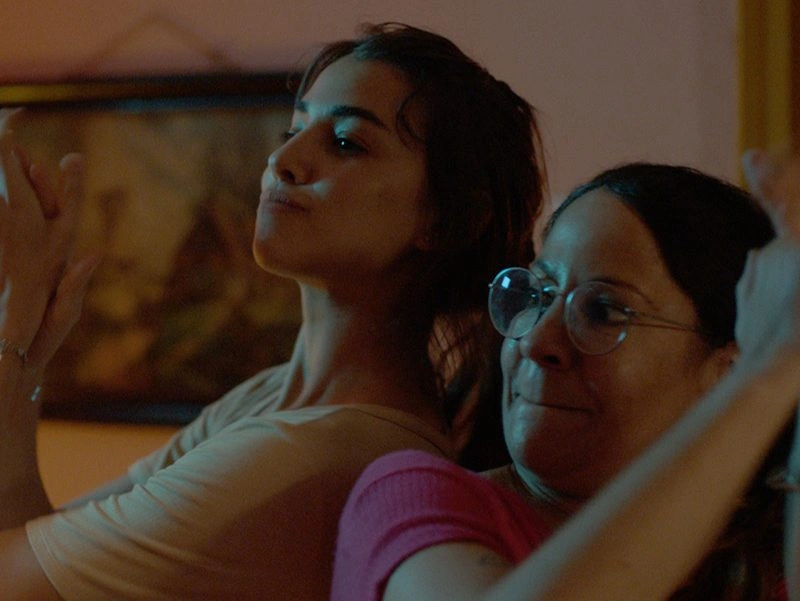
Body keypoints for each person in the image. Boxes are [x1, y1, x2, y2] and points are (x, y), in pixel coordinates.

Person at [0, 23, 545, 600]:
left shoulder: (313, 454)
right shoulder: (270, 398)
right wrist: (23, 351)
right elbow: (39, 548)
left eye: (346, 143)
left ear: (449, 220)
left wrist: (12, 329)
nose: (282, 159)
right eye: (294, 128)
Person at [332, 161, 800, 601]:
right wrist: (767, 376)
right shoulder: (412, 496)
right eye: (538, 295)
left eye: (602, 311)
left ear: (723, 371)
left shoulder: (763, 564)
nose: (537, 340)